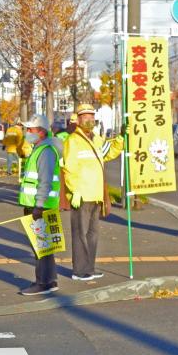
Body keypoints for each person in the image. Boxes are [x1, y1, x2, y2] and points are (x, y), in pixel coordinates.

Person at [62, 104, 123, 281]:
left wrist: (121, 138)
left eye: (91, 116)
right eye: (85, 116)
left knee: (93, 233)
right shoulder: (73, 141)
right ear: (79, 120)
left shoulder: (96, 139)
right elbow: (69, 168)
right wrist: (75, 191)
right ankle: (80, 271)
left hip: (96, 194)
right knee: (80, 233)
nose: (89, 120)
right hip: (81, 195)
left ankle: (90, 267)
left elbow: (109, 153)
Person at [18, 114, 64, 296]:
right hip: (39, 204)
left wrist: (39, 205)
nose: (27, 132)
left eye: (31, 130)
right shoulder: (40, 148)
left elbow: (44, 181)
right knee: (44, 247)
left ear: (42, 132)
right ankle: (49, 281)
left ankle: (43, 283)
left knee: (41, 247)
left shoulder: (45, 151)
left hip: (40, 206)